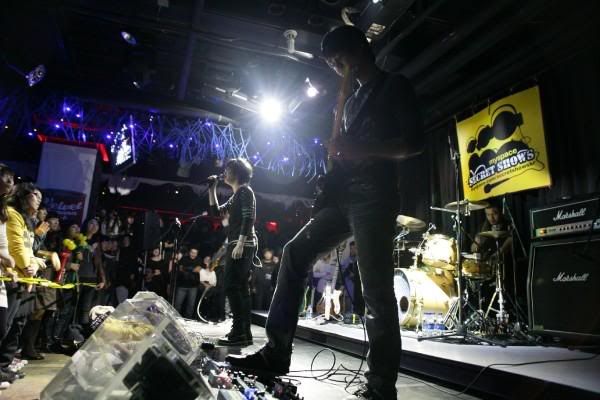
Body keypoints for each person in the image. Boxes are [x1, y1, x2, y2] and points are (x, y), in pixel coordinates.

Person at [226, 25, 423, 400]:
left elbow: (413, 143)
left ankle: (381, 387)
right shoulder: (348, 102)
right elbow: (345, 155)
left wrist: (361, 149)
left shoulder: (393, 86)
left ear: (360, 49)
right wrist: (334, 170)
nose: (335, 67)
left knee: (377, 290)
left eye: (338, 58)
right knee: (293, 254)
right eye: (330, 62)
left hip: (375, 197)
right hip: (343, 197)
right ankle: (275, 353)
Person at [208, 158, 259, 346]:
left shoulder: (245, 191)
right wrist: (212, 189)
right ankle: (244, 332)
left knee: (231, 286)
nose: (224, 172)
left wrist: (240, 243)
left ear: (237, 172)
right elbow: (216, 213)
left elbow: (249, 218)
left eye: (228, 169)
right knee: (240, 288)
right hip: (239, 243)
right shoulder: (238, 194)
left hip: (241, 244)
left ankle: (238, 332)